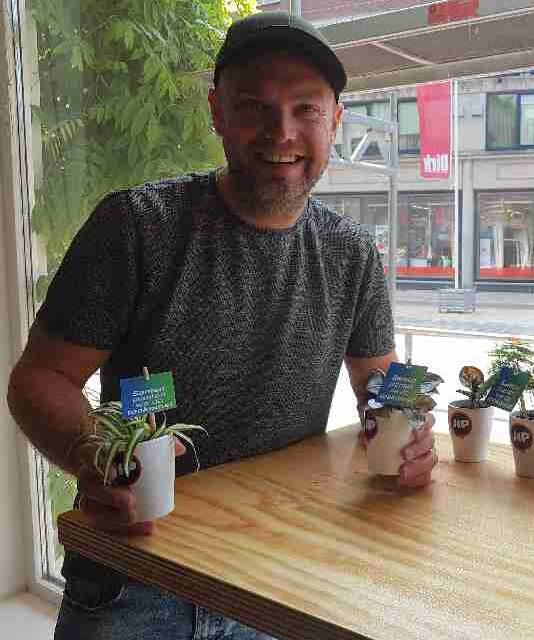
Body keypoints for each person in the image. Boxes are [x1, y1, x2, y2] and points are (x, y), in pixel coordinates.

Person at [6, 12, 437, 640]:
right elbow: (39, 379)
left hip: (280, 576)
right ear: (217, 112)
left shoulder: (352, 255)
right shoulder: (137, 227)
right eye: (254, 106)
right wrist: (91, 453)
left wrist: (411, 437)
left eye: (306, 110)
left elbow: (380, 386)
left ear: (335, 120)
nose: (281, 133)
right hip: (136, 578)